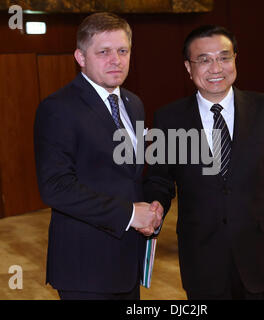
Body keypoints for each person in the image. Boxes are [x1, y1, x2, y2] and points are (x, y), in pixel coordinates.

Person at [144, 25, 264, 300]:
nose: (216, 67)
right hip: (203, 261)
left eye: (224, 57)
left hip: (263, 258)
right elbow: (159, 179)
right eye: (204, 60)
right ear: (188, 67)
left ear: (235, 60)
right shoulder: (169, 119)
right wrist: (154, 205)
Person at [34, 12, 162, 300]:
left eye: (122, 51)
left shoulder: (133, 103)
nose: (115, 59)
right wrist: (130, 214)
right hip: (85, 268)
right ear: (80, 57)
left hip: (127, 261)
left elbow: (129, 175)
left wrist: (151, 206)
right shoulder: (58, 108)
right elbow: (56, 187)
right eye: (103, 52)